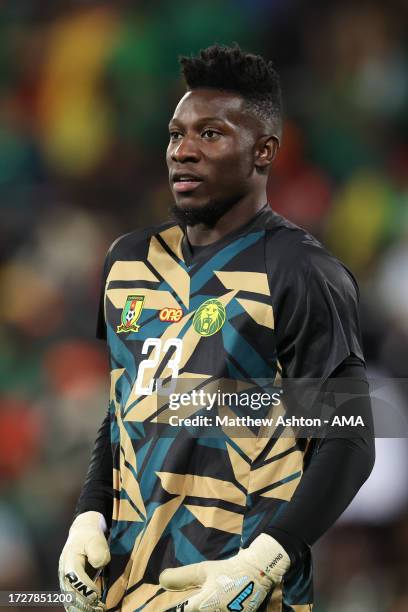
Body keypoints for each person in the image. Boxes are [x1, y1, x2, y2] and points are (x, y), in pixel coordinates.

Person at [59, 44, 375, 612]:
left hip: (236, 588)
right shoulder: (127, 262)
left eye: (210, 134)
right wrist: (88, 513)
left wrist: (267, 559)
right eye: (176, 134)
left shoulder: (299, 271)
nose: (183, 151)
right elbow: (125, 408)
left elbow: (347, 439)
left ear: (264, 151)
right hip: (127, 588)